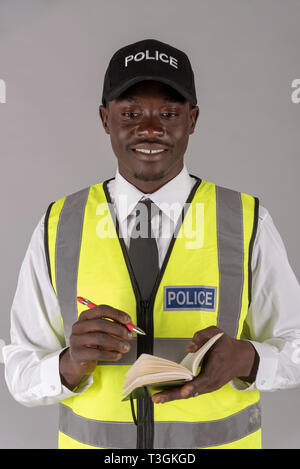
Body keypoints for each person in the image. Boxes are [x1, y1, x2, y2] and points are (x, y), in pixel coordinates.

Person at [3, 38, 300, 450]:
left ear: (192, 119)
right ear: (105, 119)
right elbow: (18, 368)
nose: (149, 128)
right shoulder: (59, 224)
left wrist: (248, 359)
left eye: (168, 112)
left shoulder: (246, 220)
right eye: (130, 112)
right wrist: (67, 366)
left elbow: (296, 344)